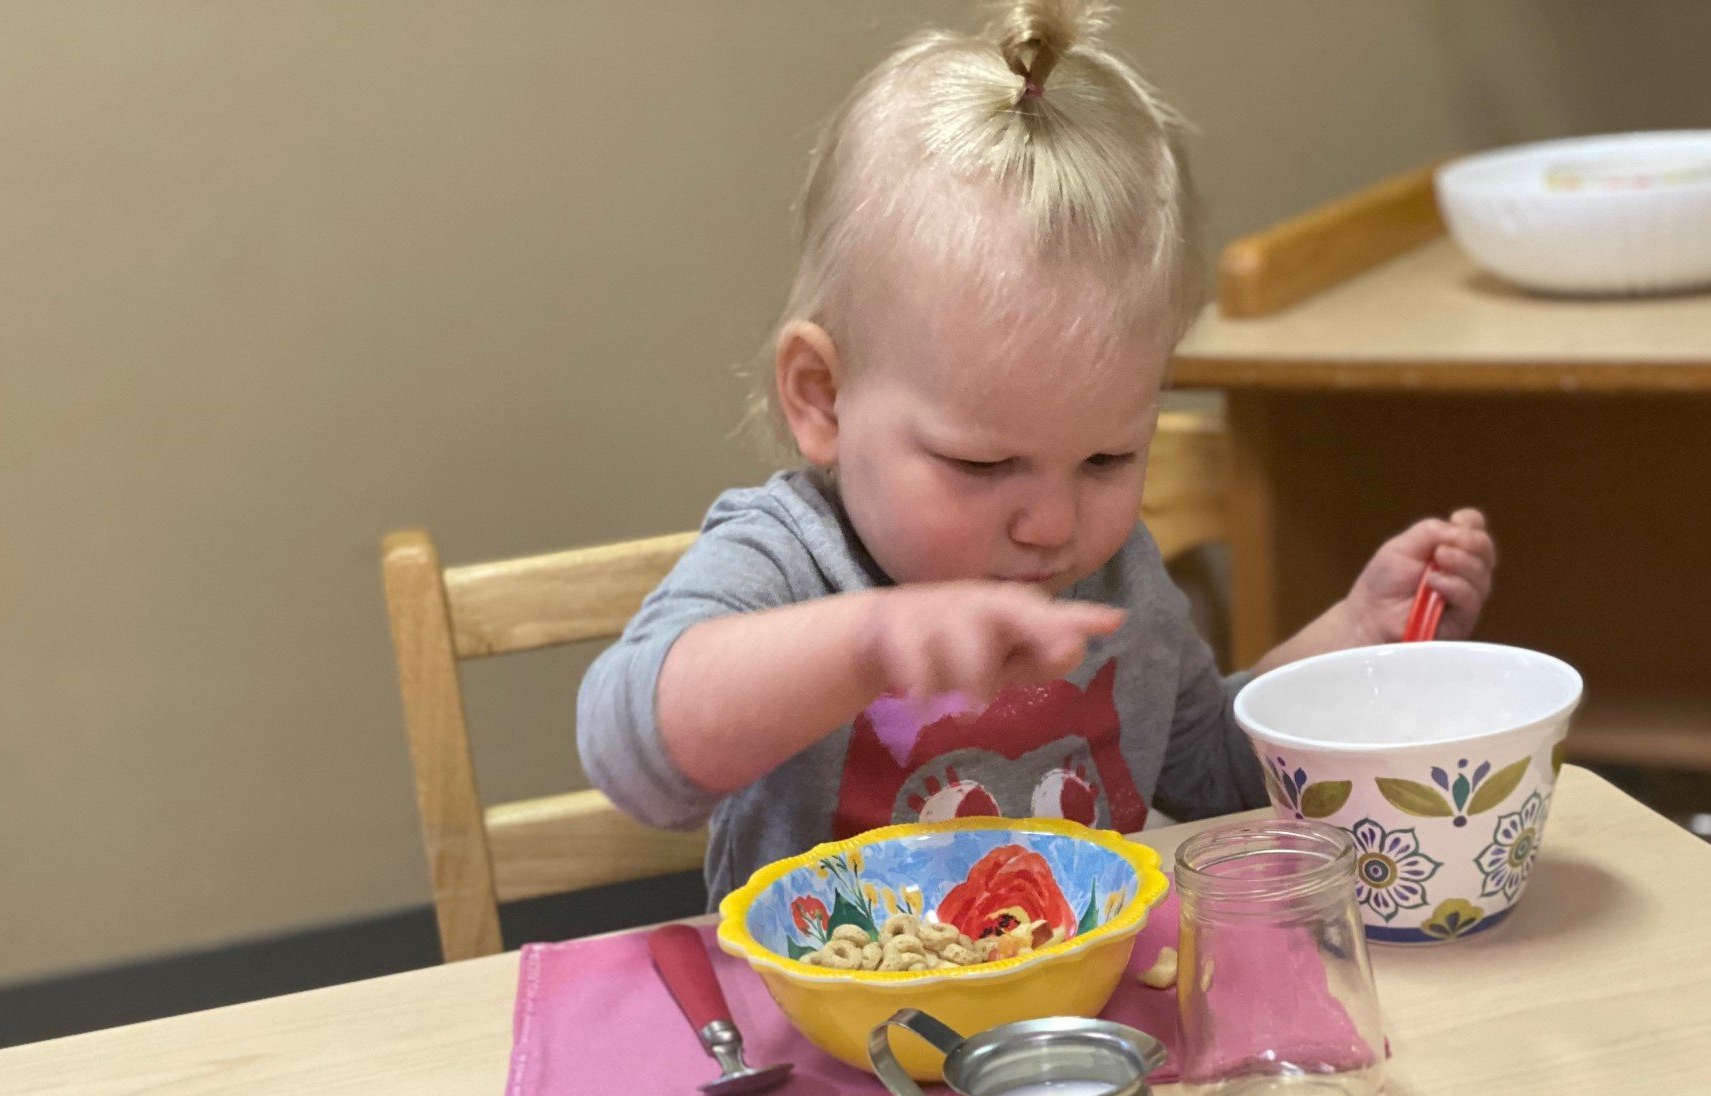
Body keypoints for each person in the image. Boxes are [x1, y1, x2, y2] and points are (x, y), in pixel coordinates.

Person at [578, 0, 1496, 907]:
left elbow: (1211, 772)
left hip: (1077, 1040)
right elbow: (633, 762)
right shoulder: (785, 560)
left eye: (1107, 460)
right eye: (982, 466)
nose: (1055, 525)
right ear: (824, 397)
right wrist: (862, 647)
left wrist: (1353, 643)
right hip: (833, 1046)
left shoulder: (1120, 582)